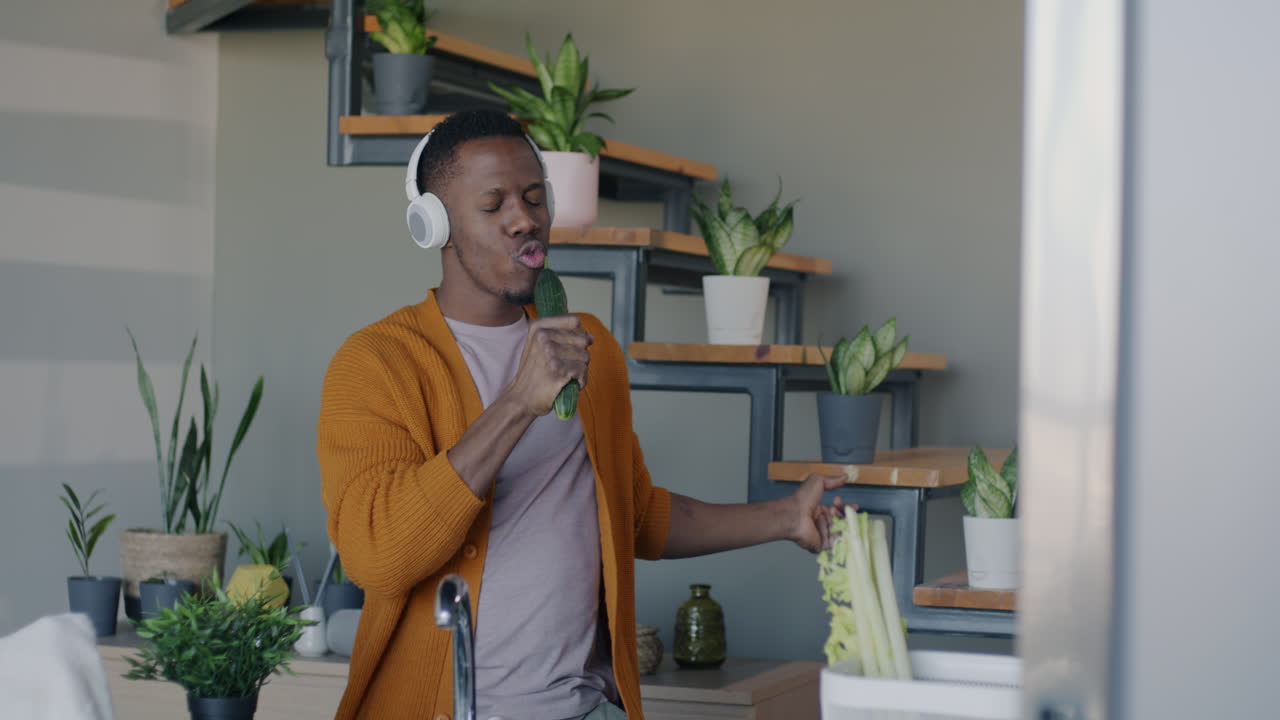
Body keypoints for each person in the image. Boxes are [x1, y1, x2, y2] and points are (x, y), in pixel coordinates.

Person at [317, 109, 846, 720]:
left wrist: (786, 516)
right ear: (437, 225)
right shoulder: (377, 362)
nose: (524, 219)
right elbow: (376, 557)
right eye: (493, 206)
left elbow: (635, 515)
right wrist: (518, 402)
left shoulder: (585, 345)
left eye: (534, 198)